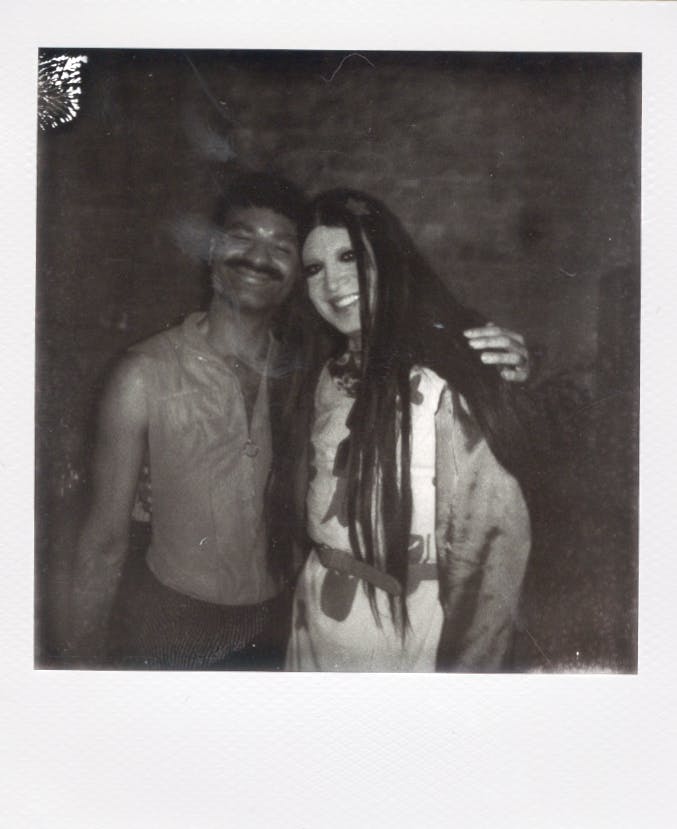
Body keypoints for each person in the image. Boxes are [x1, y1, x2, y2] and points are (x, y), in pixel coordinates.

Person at [68, 171, 530, 670]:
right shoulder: (152, 374)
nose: (258, 257)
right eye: (242, 236)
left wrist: (504, 365)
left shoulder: (308, 371)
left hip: (289, 621)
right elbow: (105, 539)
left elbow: (489, 543)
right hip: (185, 621)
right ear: (211, 249)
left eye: (282, 248)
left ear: (292, 278)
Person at [278, 189, 531, 672]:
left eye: (350, 256)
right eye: (313, 268)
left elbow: (490, 551)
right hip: (316, 618)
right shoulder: (323, 371)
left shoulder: (448, 376)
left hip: (409, 627)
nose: (333, 282)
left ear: (387, 258)